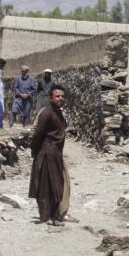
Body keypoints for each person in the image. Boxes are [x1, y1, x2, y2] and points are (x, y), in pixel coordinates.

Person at [28, 85, 73, 225]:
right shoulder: (47, 113)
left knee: (56, 184)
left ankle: (54, 215)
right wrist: (36, 152)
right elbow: (37, 134)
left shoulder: (58, 113)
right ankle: (46, 217)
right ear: (51, 98)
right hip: (46, 153)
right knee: (45, 186)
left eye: (63, 96)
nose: (60, 98)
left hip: (56, 154)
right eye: (57, 96)